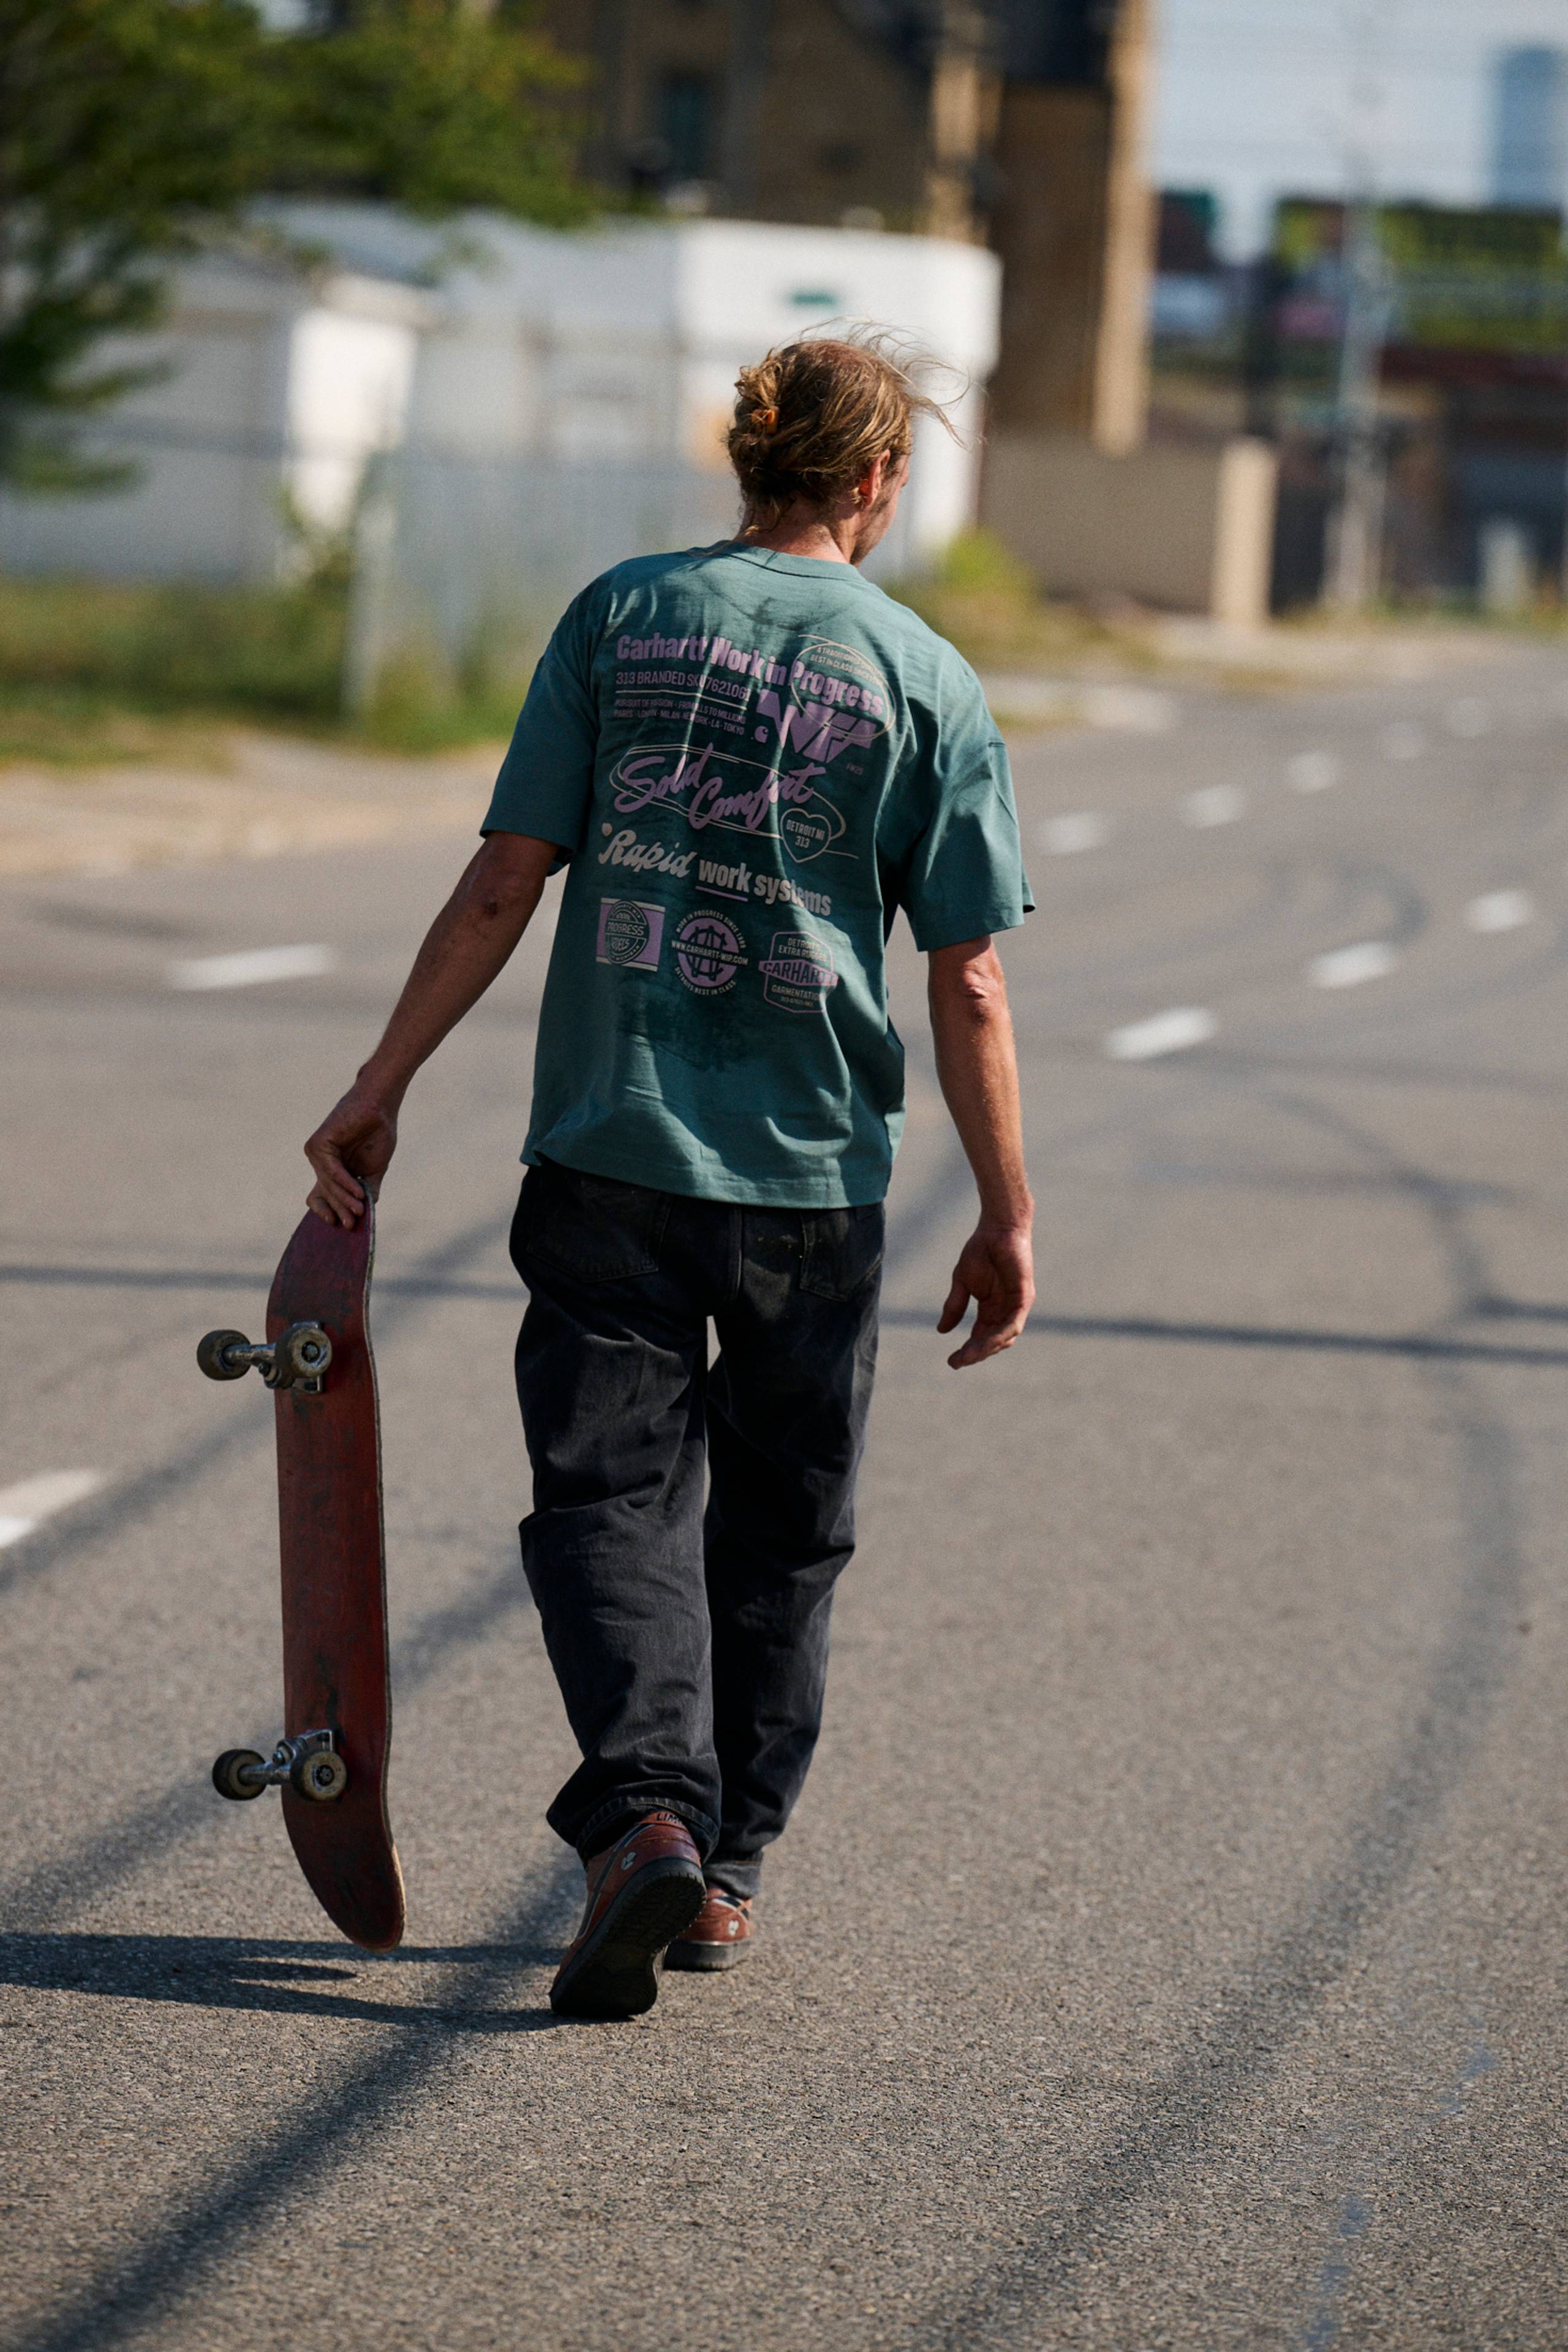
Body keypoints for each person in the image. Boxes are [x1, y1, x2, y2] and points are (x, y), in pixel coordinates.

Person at [303, 331, 1035, 2019]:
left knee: (611, 1503)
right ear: (875, 483)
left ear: (748, 461)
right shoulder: (926, 676)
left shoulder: (623, 615)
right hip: (809, 1185)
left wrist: (381, 1080)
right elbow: (971, 977)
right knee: (781, 1539)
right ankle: (725, 1877)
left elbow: (506, 877)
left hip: (609, 1151)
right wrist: (1003, 1209)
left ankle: (646, 1815)